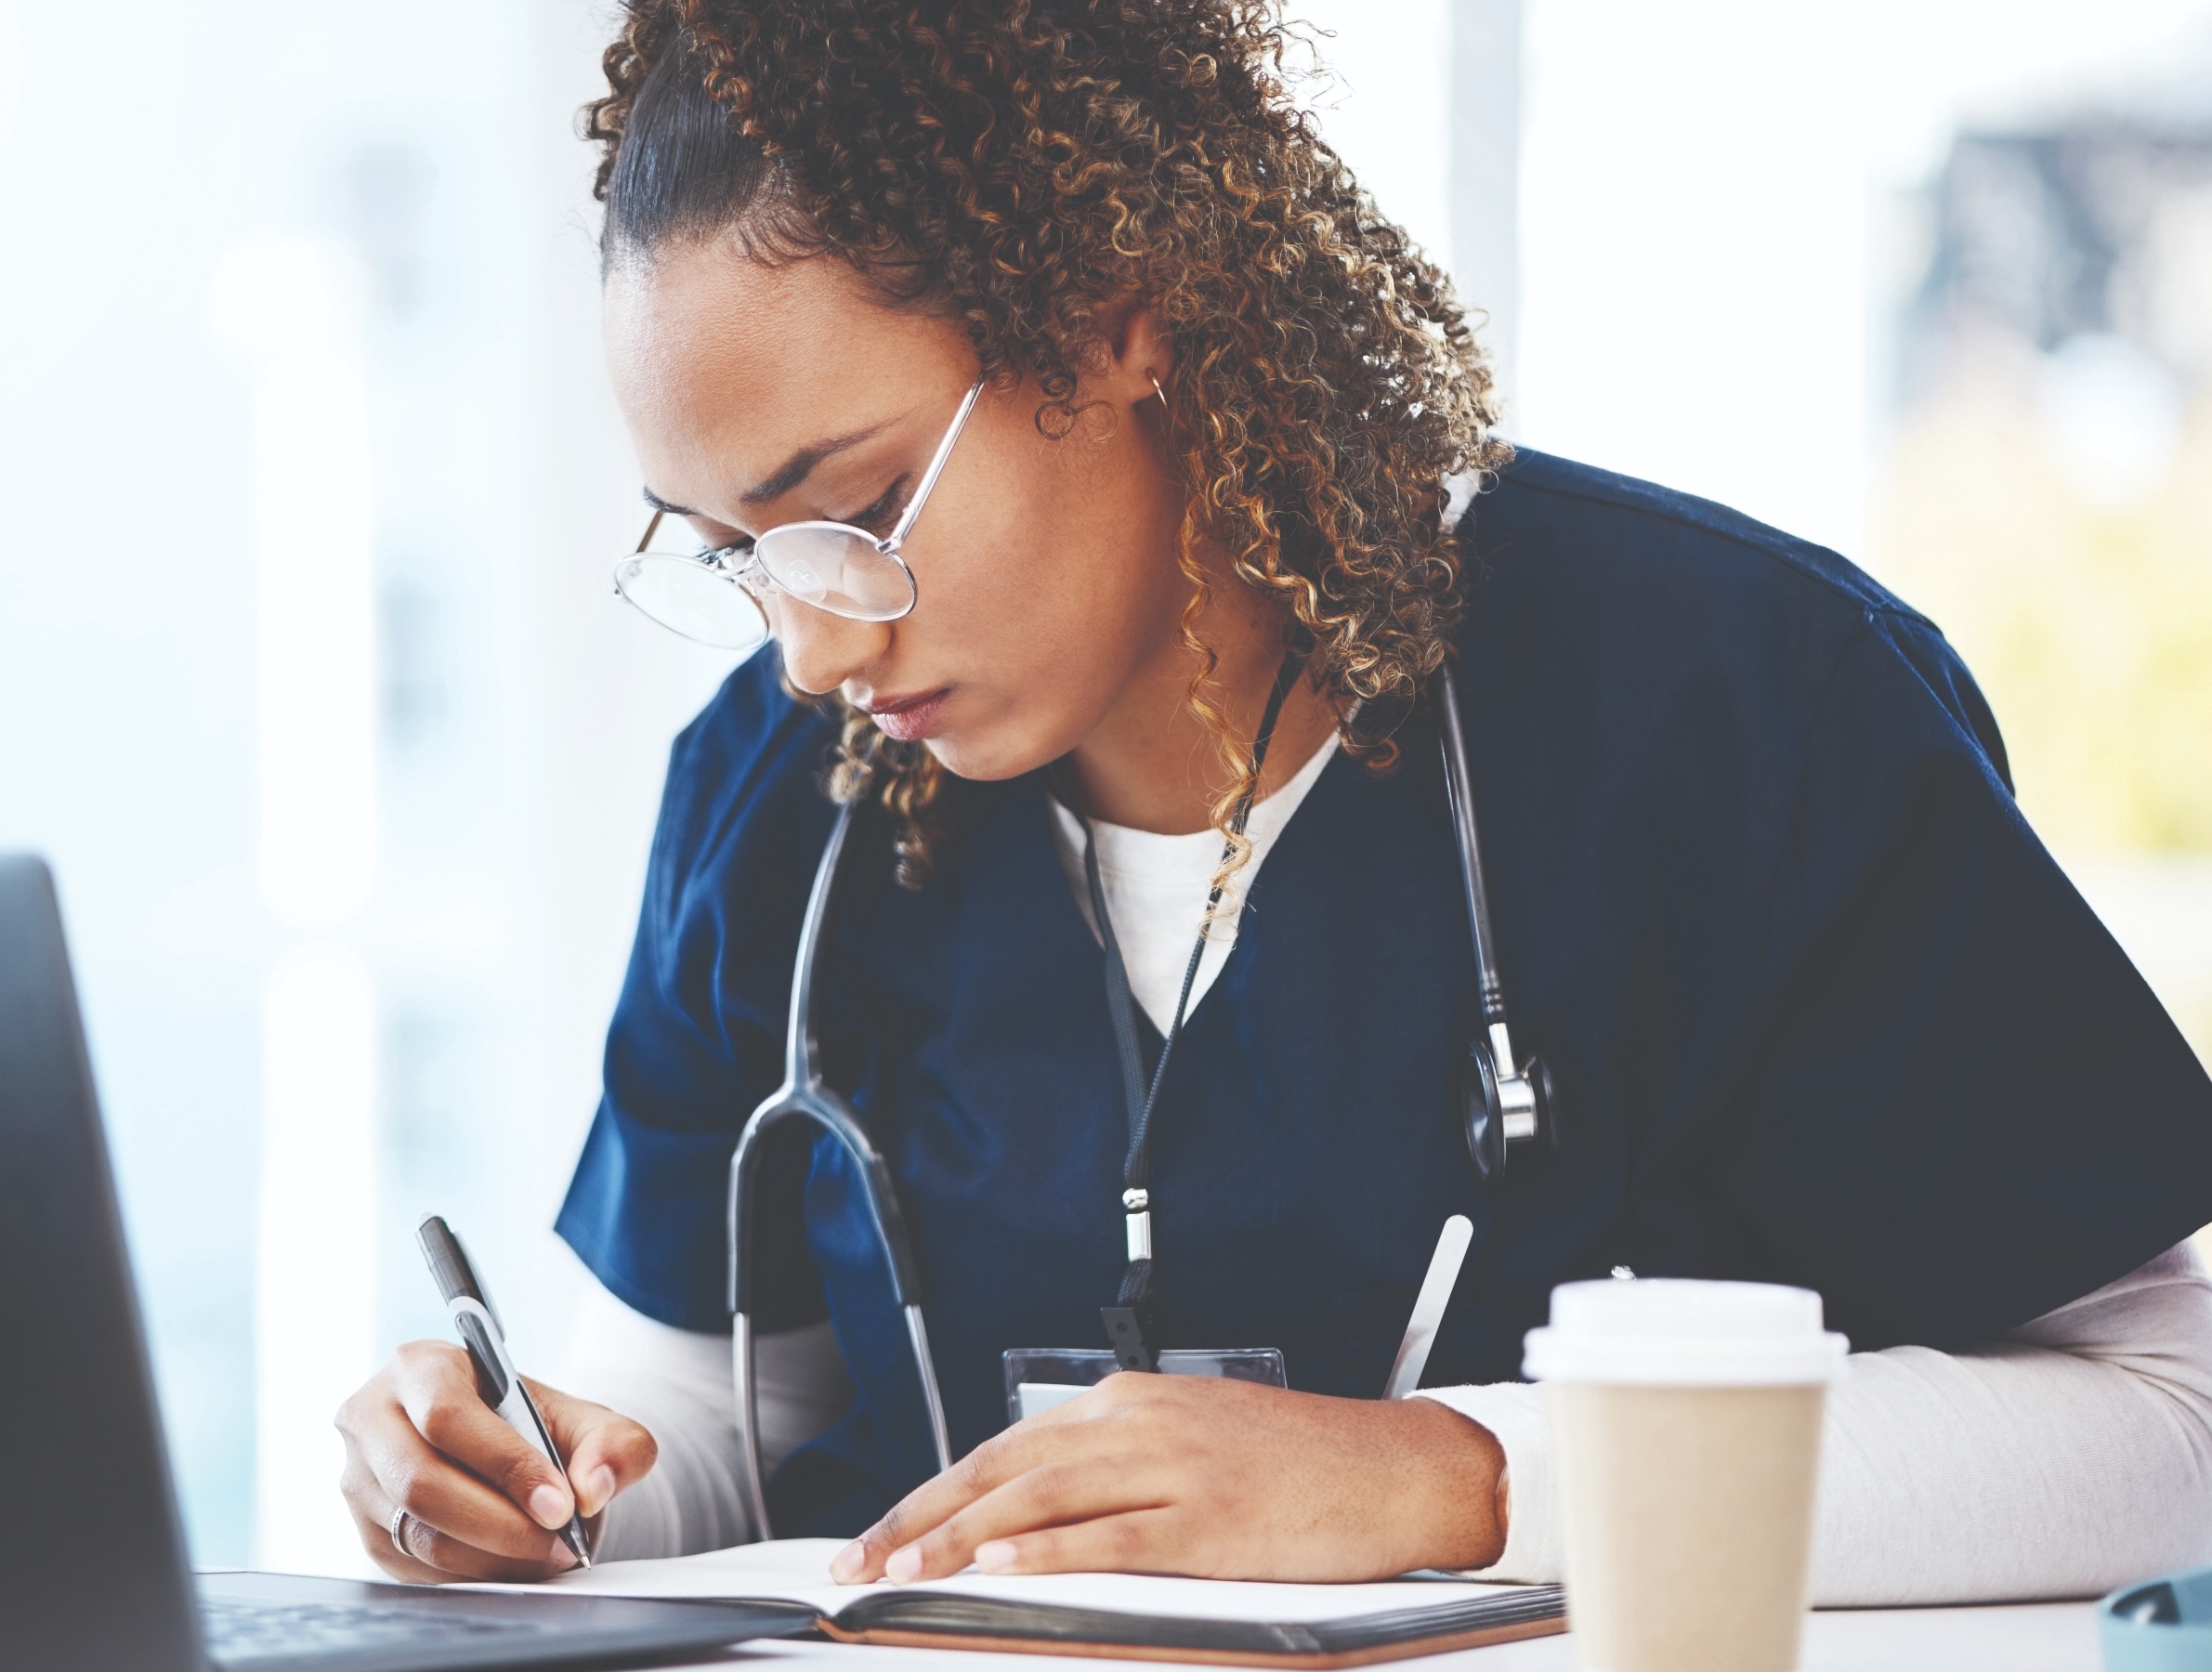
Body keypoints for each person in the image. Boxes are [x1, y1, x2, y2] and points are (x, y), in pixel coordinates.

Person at [335, 0, 2212, 1601]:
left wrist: (1451, 1480)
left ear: (1120, 311)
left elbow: (2174, 1433)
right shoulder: (779, 794)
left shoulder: (1732, 706)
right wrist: (520, 1485)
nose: (816, 652)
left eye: (853, 510)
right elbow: (698, 1459)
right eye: (738, 552)